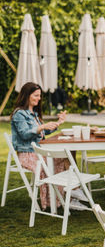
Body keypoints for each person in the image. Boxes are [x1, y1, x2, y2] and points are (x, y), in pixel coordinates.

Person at [10, 82, 87, 210]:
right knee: (64, 156)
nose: (39, 98)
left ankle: (70, 193)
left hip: (38, 151)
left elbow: (43, 131)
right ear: (27, 95)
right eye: (36, 95)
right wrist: (42, 126)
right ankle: (71, 193)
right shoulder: (19, 114)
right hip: (28, 154)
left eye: (40, 96)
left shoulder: (33, 113)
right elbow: (24, 134)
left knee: (69, 152)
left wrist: (58, 123)